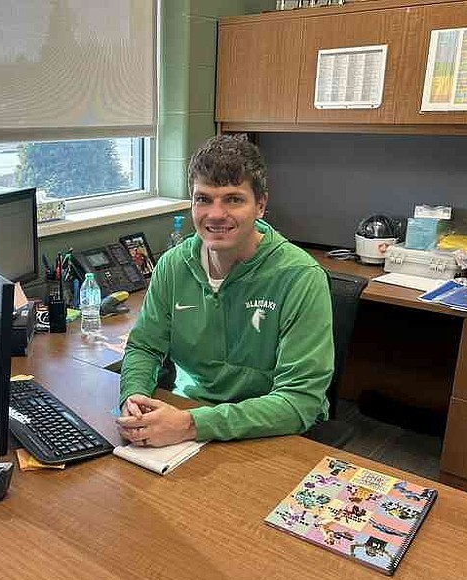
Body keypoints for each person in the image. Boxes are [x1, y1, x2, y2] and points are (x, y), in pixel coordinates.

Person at [117, 135, 334, 448]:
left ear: (260, 205)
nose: (215, 214)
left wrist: (192, 425)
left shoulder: (300, 277)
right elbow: (145, 347)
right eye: (203, 199)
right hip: (187, 418)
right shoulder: (173, 266)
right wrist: (134, 396)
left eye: (233, 199)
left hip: (269, 430)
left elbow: (299, 402)